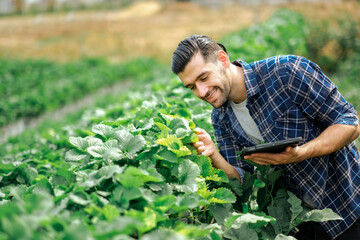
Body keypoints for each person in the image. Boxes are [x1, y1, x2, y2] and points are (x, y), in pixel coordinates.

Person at [171, 34, 360, 239]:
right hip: (298, 224)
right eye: (192, 87)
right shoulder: (221, 117)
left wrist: (301, 153)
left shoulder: (286, 71)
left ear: (223, 60)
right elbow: (241, 182)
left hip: (347, 204)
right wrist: (213, 154)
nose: (201, 92)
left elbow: (349, 123)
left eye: (203, 77)